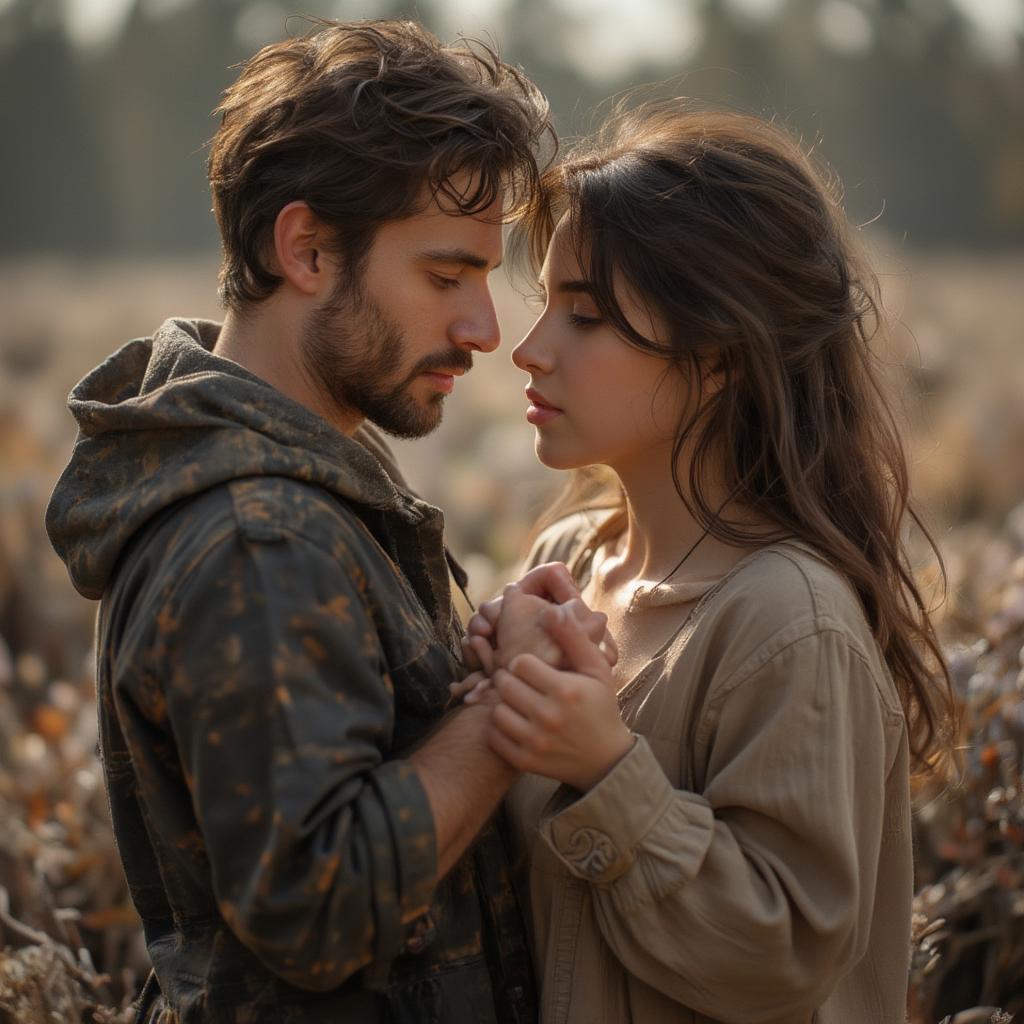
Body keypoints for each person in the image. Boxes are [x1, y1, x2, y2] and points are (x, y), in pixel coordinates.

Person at [44, 19, 599, 1023]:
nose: (483, 329)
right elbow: (319, 907)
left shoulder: (291, 481)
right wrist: (509, 710)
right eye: (446, 276)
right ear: (304, 248)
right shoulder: (261, 538)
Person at [457, 105, 957, 1023]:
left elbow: (782, 953)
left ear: (719, 353)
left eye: (586, 316)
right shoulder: (566, 560)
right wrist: (478, 676)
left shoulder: (788, 620)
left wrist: (606, 773)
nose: (528, 351)